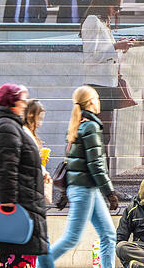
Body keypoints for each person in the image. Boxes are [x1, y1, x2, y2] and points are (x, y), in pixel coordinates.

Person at [38, 85, 119, 268]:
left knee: (108, 235)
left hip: (87, 188)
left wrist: (65, 192)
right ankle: (40, 265)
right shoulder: (90, 126)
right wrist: (110, 192)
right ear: (90, 102)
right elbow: (96, 164)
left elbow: (73, 164)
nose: (99, 102)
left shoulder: (78, 124)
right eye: (97, 98)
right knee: (72, 238)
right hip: (85, 190)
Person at [0, 84, 48, 268]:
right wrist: (9, 203)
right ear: (13, 102)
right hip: (18, 208)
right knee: (15, 258)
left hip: (21, 204)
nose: (25, 105)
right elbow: (5, 168)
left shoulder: (6, 125)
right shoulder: (7, 127)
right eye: (22, 101)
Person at [80, 0, 134, 168]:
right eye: (115, 7)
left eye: (119, 8)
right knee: (100, 137)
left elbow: (105, 54)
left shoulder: (102, 22)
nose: (117, 11)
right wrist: (115, 47)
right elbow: (90, 57)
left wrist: (118, 47)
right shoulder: (92, 21)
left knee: (105, 136)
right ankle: (100, 177)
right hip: (98, 86)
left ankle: (103, 177)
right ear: (106, 3)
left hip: (107, 85)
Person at [23, 99, 53, 204]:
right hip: (29, 188)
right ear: (31, 115)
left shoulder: (28, 132)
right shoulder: (25, 132)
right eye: (39, 118)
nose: (40, 123)